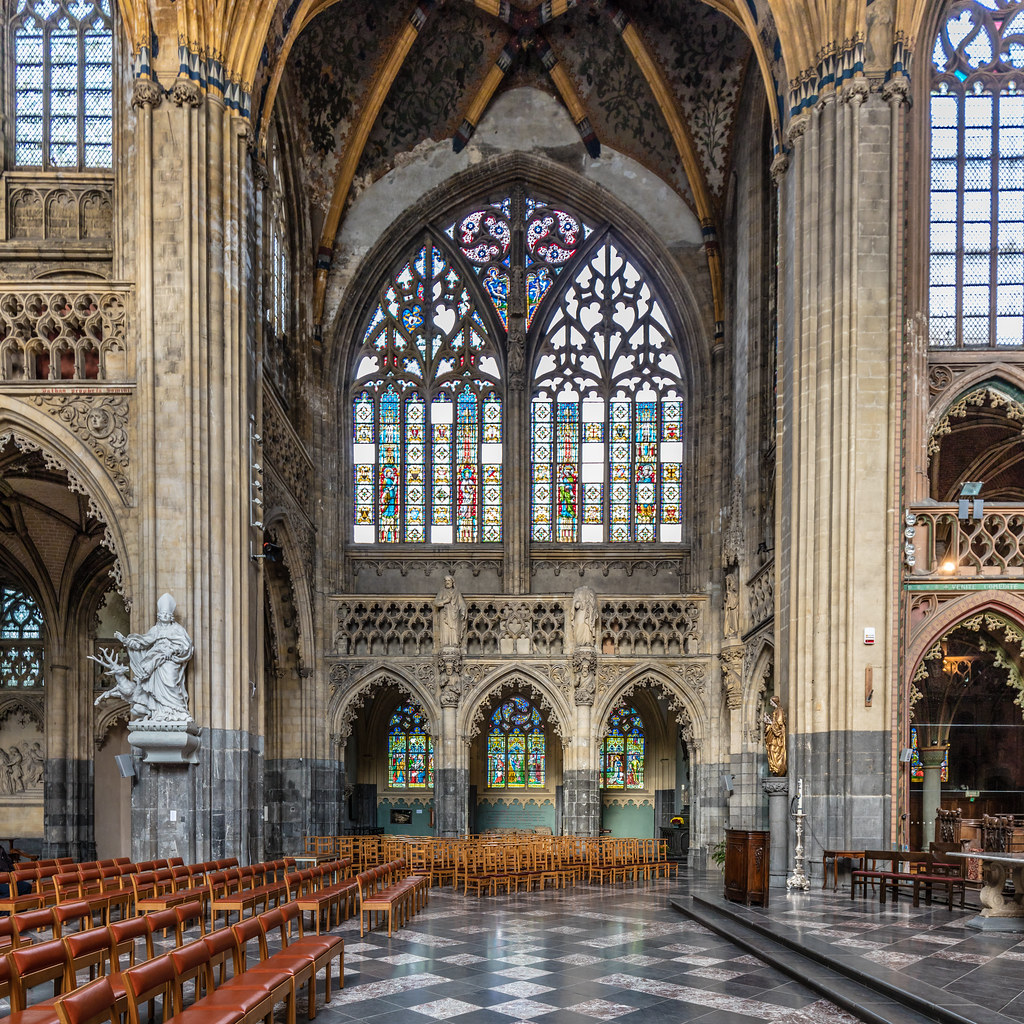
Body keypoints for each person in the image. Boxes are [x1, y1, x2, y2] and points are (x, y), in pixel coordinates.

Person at [115, 592, 195, 722]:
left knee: (171, 682)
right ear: (159, 615)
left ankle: (178, 711)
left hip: (170, 661)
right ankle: (160, 711)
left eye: (167, 614)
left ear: (171, 616)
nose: (165, 616)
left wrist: (173, 650)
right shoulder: (156, 629)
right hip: (156, 662)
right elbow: (143, 642)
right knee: (157, 687)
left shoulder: (177, 629)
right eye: (162, 614)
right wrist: (125, 640)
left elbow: (186, 646)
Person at [434, 575, 467, 649]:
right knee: (445, 628)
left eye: (449, 580)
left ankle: (455, 643)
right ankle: (445, 643)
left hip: (454, 614)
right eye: (445, 581)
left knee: (454, 629)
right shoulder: (442, 591)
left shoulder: (457, 592)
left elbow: (462, 603)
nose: (447, 582)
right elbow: (435, 602)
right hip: (444, 613)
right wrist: (445, 601)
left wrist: (463, 610)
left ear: (452, 582)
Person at [764, 695, 787, 776]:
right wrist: (768, 721)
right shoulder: (775, 711)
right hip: (773, 735)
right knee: (771, 750)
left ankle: (777, 767)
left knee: (775, 750)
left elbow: (779, 723)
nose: (770, 703)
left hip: (777, 736)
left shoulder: (779, 711)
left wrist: (771, 723)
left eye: (771, 702)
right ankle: (774, 768)